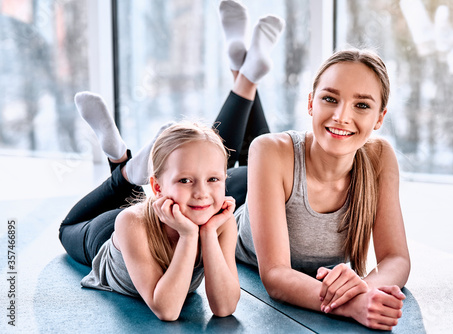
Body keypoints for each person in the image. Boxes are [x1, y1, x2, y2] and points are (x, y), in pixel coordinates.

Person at [58, 1, 285, 322]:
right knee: (65, 228)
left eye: (214, 181)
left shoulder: (219, 224)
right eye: (185, 181)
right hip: (106, 234)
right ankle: (123, 169)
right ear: (157, 187)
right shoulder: (130, 223)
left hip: (161, 203)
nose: (203, 193)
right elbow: (167, 308)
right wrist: (190, 236)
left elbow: (224, 307)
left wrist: (208, 234)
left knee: (203, 154)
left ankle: (122, 162)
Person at [216, 1, 411, 331]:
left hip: (278, 176)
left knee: (269, 152)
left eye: (361, 105)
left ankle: (245, 71)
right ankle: (245, 75)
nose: (341, 116)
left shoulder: (379, 158)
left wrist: (365, 289)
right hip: (239, 190)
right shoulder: (271, 151)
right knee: (211, 158)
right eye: (330, 99)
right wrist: (351, 305)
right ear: (310, 102)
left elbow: (397, 259)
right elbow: (276, 277)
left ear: (380, 118)